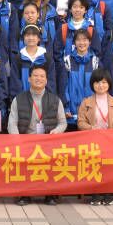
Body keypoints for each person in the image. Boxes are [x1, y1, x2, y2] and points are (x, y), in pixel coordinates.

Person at [7, 66, 66, 206]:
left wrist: (56, 132)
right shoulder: (19, 99)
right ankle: (24, 194)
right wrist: (17, 140)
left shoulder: (55, 100)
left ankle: (50, 195)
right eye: (35, 76)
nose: (38, 79)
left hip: (47, 141)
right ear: (29, 78)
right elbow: (12, 123)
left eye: (42, 76)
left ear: (46, 80)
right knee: (23, 162)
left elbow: (63, 122)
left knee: (52, 161)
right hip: (26, 141)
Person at [77, 68, 113, 205]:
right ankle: (95, 194)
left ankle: (108, 194)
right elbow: (80, 122)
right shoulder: (86, 102)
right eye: (97, 82)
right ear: (92, 84)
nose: (101, 85)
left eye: (104, 82)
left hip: (111, 141)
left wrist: (112, 134)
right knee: (94, 167)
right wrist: (92, 128)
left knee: (109, 167)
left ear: (109, 84)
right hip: (92, 141)